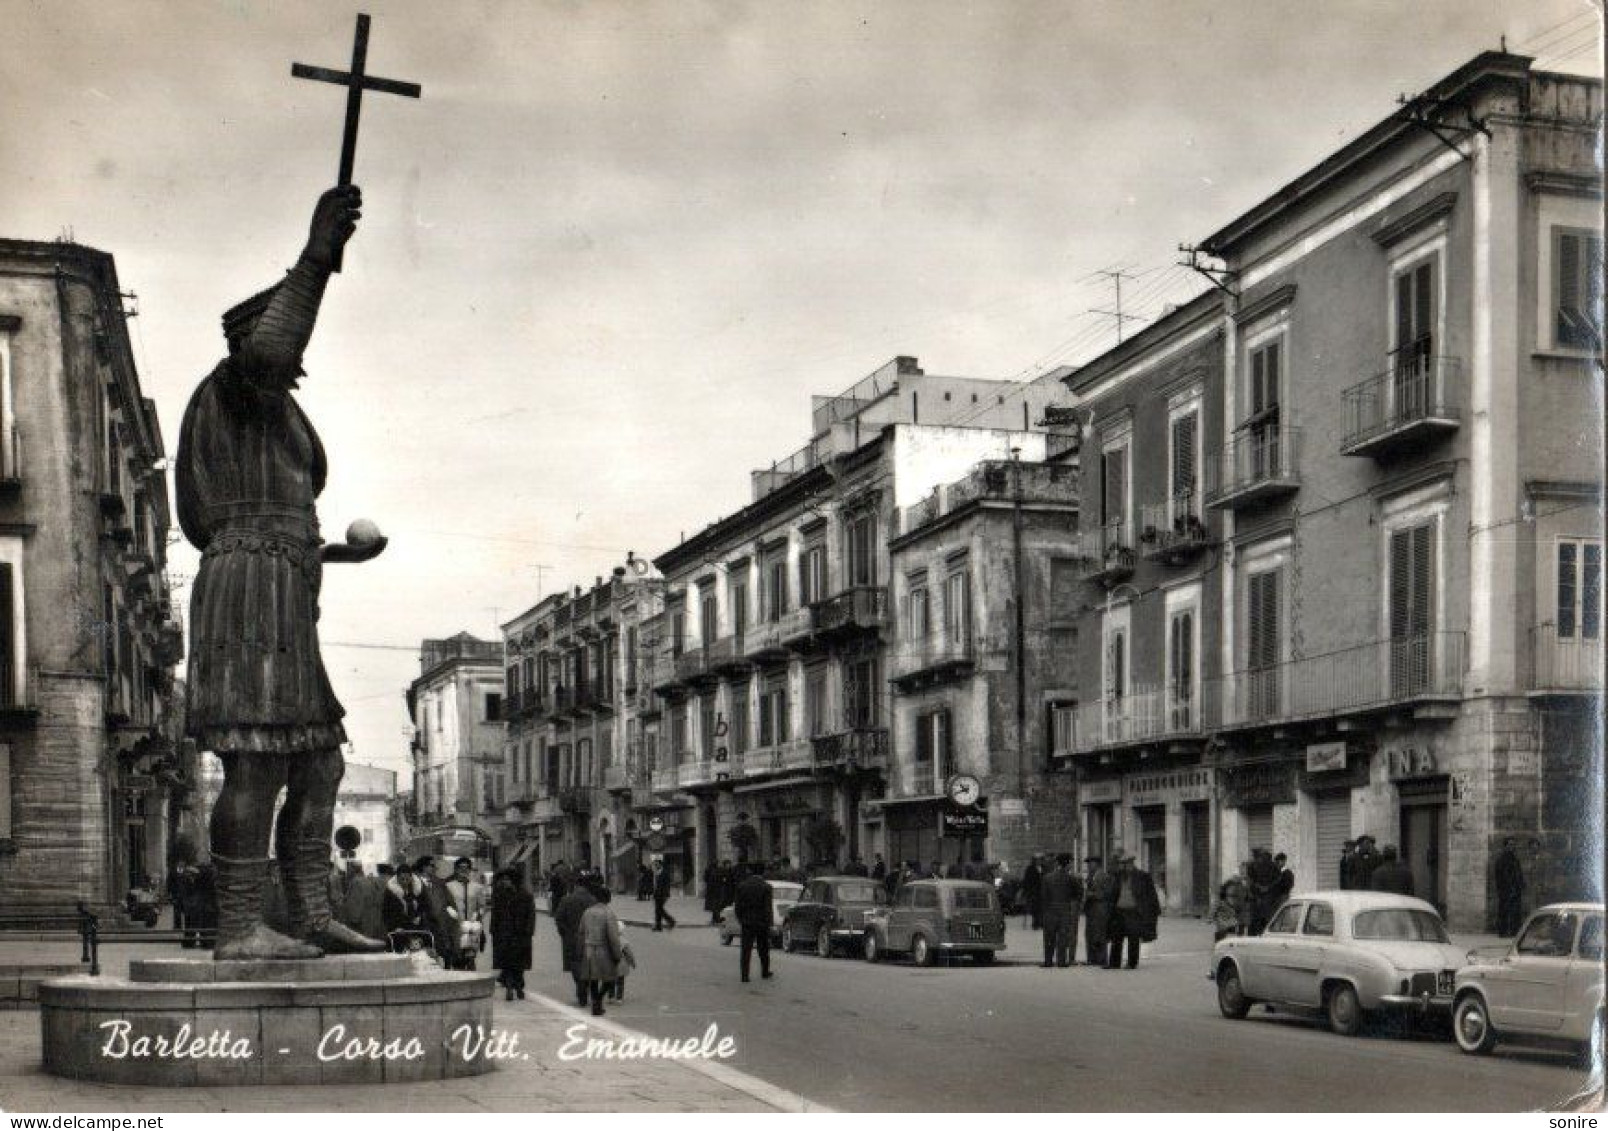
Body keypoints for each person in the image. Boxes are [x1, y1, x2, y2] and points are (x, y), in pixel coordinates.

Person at [176, 184, 387, 960]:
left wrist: (335, 555)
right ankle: (237, 927)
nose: (294, 361)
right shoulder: (236, 387)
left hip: (281, 585)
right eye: (284, 343)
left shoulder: (274, 415)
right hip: (250, 586)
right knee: (258, 758)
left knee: (319, 758)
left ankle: (309, 913)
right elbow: (268, 354)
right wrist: (316, 258)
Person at [1104, 853, 1160, 970]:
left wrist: (1153, 911)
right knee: (1116, 937)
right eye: (1121, 864)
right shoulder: (1118, 877)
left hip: (1134, 912)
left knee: (1133, 938)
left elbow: (1151, 895)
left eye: (1124, 864)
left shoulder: (1142, 876)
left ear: (1130, 864)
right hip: (1119, 911)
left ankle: (1132, 963)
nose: (1122, 867)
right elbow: (1112, 894)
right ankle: (1114, 963)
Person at [578, 886, 624, 1016]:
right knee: (610, 979)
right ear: (608, 898)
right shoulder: (609, 913)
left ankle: (595, 1005)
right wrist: (617, 954)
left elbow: (581, 932)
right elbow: (613, 937)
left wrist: (581, 950)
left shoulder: (587, 912)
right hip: (604, 950)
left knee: (593, 979)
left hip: (588, 949)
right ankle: (598, 1000)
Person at [490, 868, 535, 1001]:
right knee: (507, 963)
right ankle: (509, 988)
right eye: (503, 879)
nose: (505, 882)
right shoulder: (499, 895)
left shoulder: (525, 896)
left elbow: (531, 915)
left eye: (507, 879)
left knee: (519, 964)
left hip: (520, 934)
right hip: (504, 934)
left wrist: (528, 931)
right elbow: (495, 915)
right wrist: (493, 930)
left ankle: (519, 986)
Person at [553, 874, 598, 1007]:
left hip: (571, 938)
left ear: (576, 885)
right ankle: (586, 986)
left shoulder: (567, 900)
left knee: (575, 964)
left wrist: (564, 933)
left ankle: (581, 986)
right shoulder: (593, 901)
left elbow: (558, 918)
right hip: (590, 937)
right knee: (589, 964)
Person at [1039, 853, 1084, 968]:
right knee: (1063, 937)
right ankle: (1061, 961)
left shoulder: (1047, 878)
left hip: (1050, 910)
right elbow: (1079, 893)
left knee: (1049, 937)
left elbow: (1043, 896)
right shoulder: (1071, 878)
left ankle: (1048, 961)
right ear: (1067, 863)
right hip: (1065, 910)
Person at [731, 867, 775, 983]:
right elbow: (768, 908)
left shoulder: (742, 886)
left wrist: (741, 919)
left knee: (746, 949)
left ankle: (744, 975)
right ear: (761, 874)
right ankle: (765, 971)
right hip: (761, 923)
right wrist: (769, 923)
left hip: (747, 922)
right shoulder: (766, 887)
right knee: (763, 949)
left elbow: (737, 907)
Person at [446, 857, 488, 969]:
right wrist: (449, 912)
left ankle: (470, 976)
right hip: (455, 926)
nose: (463, 870)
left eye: (466, 868)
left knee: (470, 956)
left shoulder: (477, 887)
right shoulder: (449, 886)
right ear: (456, 869)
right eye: (460, 867)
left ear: (470, 870)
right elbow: (445, 905)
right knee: (457, 957)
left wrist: (479, 914)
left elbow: (482, 906)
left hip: (471, 927)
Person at [1207, 880, 1244, 979]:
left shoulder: (1232, 901)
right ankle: (1214, 969)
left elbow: (1212, 912)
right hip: (1225, 927)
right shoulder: (1221, 902)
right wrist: (1210, 918)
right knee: (1219, 948)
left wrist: (1210, 918)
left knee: (1222, 948)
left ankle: (1215, 970)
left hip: (1229, 926)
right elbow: (1213, 911)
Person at [1082, 856, 1111, 968]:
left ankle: (1102, 958)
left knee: (1100, 934)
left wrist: (1091, 894)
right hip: (1091, 909)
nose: (1089, 866)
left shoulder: (1103, 876)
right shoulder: (1090, 876)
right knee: (1090, 934)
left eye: (1091, 863)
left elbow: (1106, 893)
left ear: (1097, 864)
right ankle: (1092, 959)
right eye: (1088, 864)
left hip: (1100, 909)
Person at [1494, 837, 1526, 936]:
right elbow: (1501, 876)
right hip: (1506, 891)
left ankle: (1514, 931)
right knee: (1504, 911)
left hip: (1515, 890)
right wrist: (1507, 888)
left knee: (1515, 912)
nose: (1512, 847)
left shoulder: (1515, 859)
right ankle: (1503, 932)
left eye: (1513, 845)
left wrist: (1520, 884)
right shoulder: (1501, 860)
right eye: (1510, 845)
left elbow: (1518, 873)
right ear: (1505, 846)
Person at [1245, 848, 1279, 936]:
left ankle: (1258, 934)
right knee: (1260, 916)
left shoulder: (1252, 865)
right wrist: (1264, 887)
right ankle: (1259, 933)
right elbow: (1250, 879)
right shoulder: (1252, 865)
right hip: (1260, 895)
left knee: (1260, 916)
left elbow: (1277, 879)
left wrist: (1265, 887)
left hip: (1262, 895)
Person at [651, 858, 677, 931]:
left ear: (660, 864)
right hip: (657, 894)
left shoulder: (664, 873)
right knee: (658, 910)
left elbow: (667, 885)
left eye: (656, 864)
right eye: (654, 864)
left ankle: (671, 921)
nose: (655, 865)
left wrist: (665, 895)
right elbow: (655, 885)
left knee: (659, 910)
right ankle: (659, 926)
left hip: (663, 895)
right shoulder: (656, 873)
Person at [1020, 855, 1044, 929]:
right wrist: (1026, 890)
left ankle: (1040, 922)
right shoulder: (1030, 869)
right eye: (1037, 860)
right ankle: (1036, 923)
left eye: (1040, 860)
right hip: (1033, 891)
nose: (1039, 861)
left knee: (1041, 907)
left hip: (1042, 890)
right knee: (1035, 908)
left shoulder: (1043, 868)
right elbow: (1026, 880)